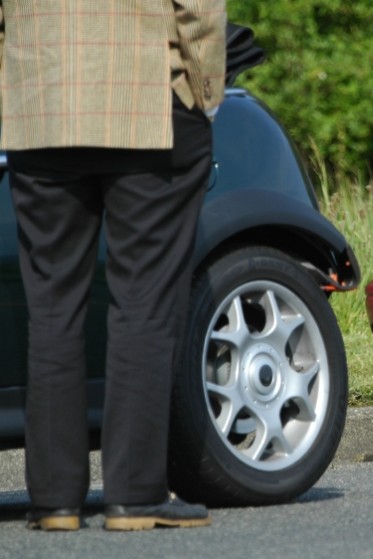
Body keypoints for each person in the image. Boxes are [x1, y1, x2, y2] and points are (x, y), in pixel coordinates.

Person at [0, 0, 226, 531]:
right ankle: (135, 495)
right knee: (143, 302)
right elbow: (198, 10)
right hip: (145, 96)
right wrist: (205, 95)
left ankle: (54, 500)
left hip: (41, 106)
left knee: (51, 305)